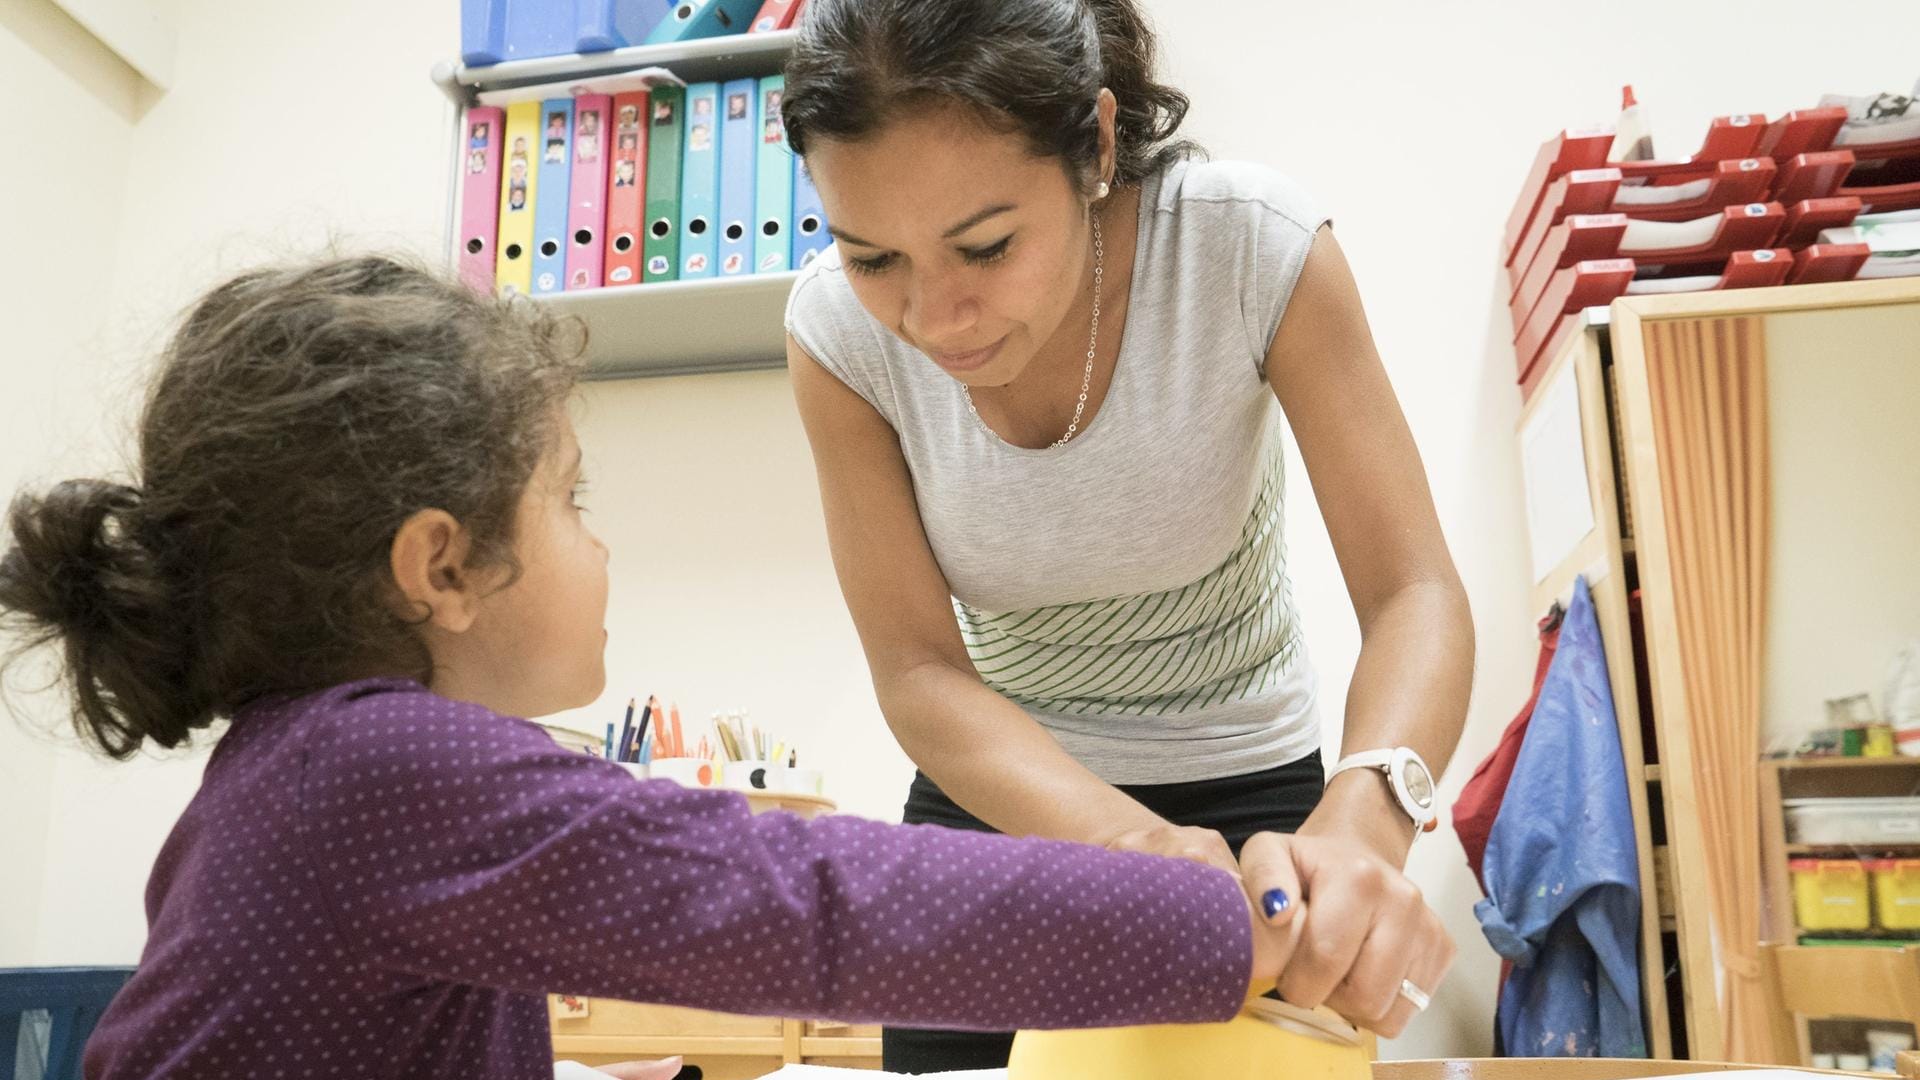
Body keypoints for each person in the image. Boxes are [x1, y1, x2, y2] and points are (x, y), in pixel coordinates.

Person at [0, 255, 1312, 1080]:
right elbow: (813, 902)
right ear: (439, 569)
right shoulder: (378, 766)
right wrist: (1218, 929)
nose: (600, 543)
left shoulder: (296, 771)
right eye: (573, 499)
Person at [780, 0, 1472, 1069]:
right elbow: (918, 669)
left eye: (987, 246)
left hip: (1261, 806)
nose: (934, 319)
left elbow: (1413, 592)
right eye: (874, 258)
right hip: (999, 799)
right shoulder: (835, 337)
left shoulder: (1249, 250)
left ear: (1097, 144)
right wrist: (1127, 842)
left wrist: (1369, 817)